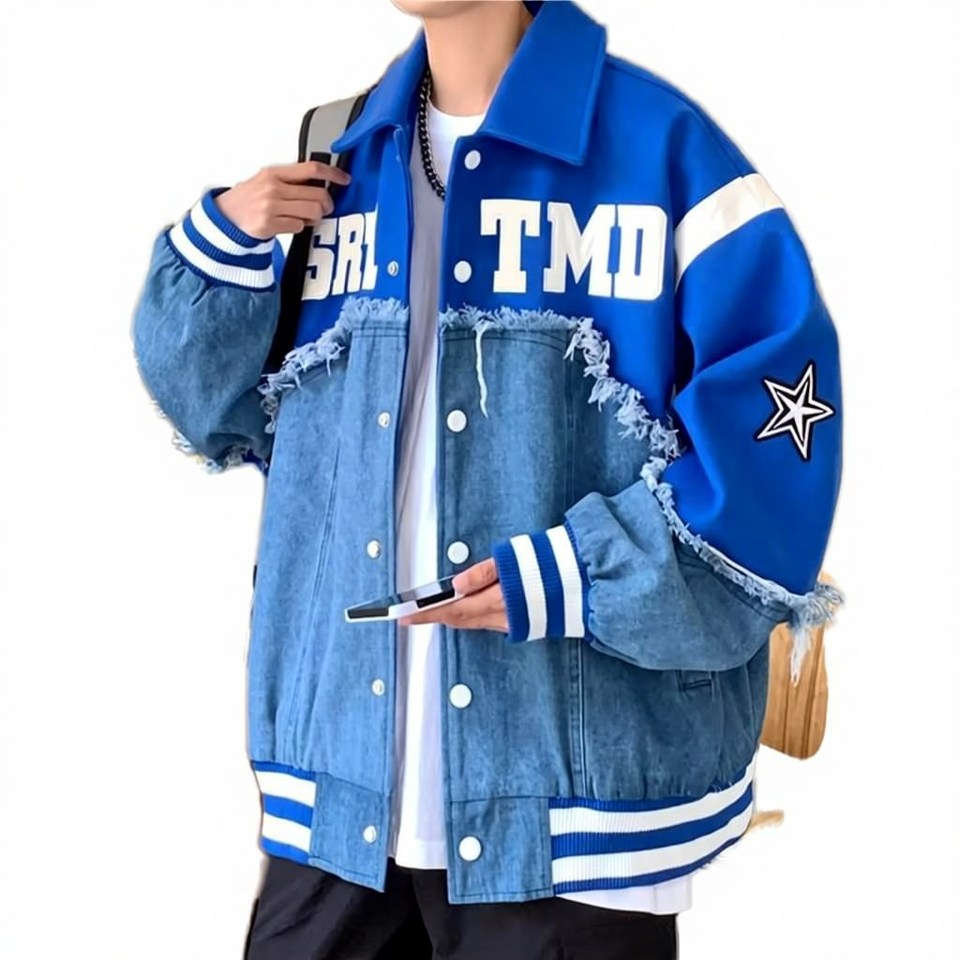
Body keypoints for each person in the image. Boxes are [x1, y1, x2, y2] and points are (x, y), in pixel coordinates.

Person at [130, 1, 844, 957]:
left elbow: (775, 449)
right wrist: (221, 243)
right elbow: (227, 416)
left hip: (573, 815)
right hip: (339, 785)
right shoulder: (339, 156)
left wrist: (578, 574)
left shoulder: (663, 152)